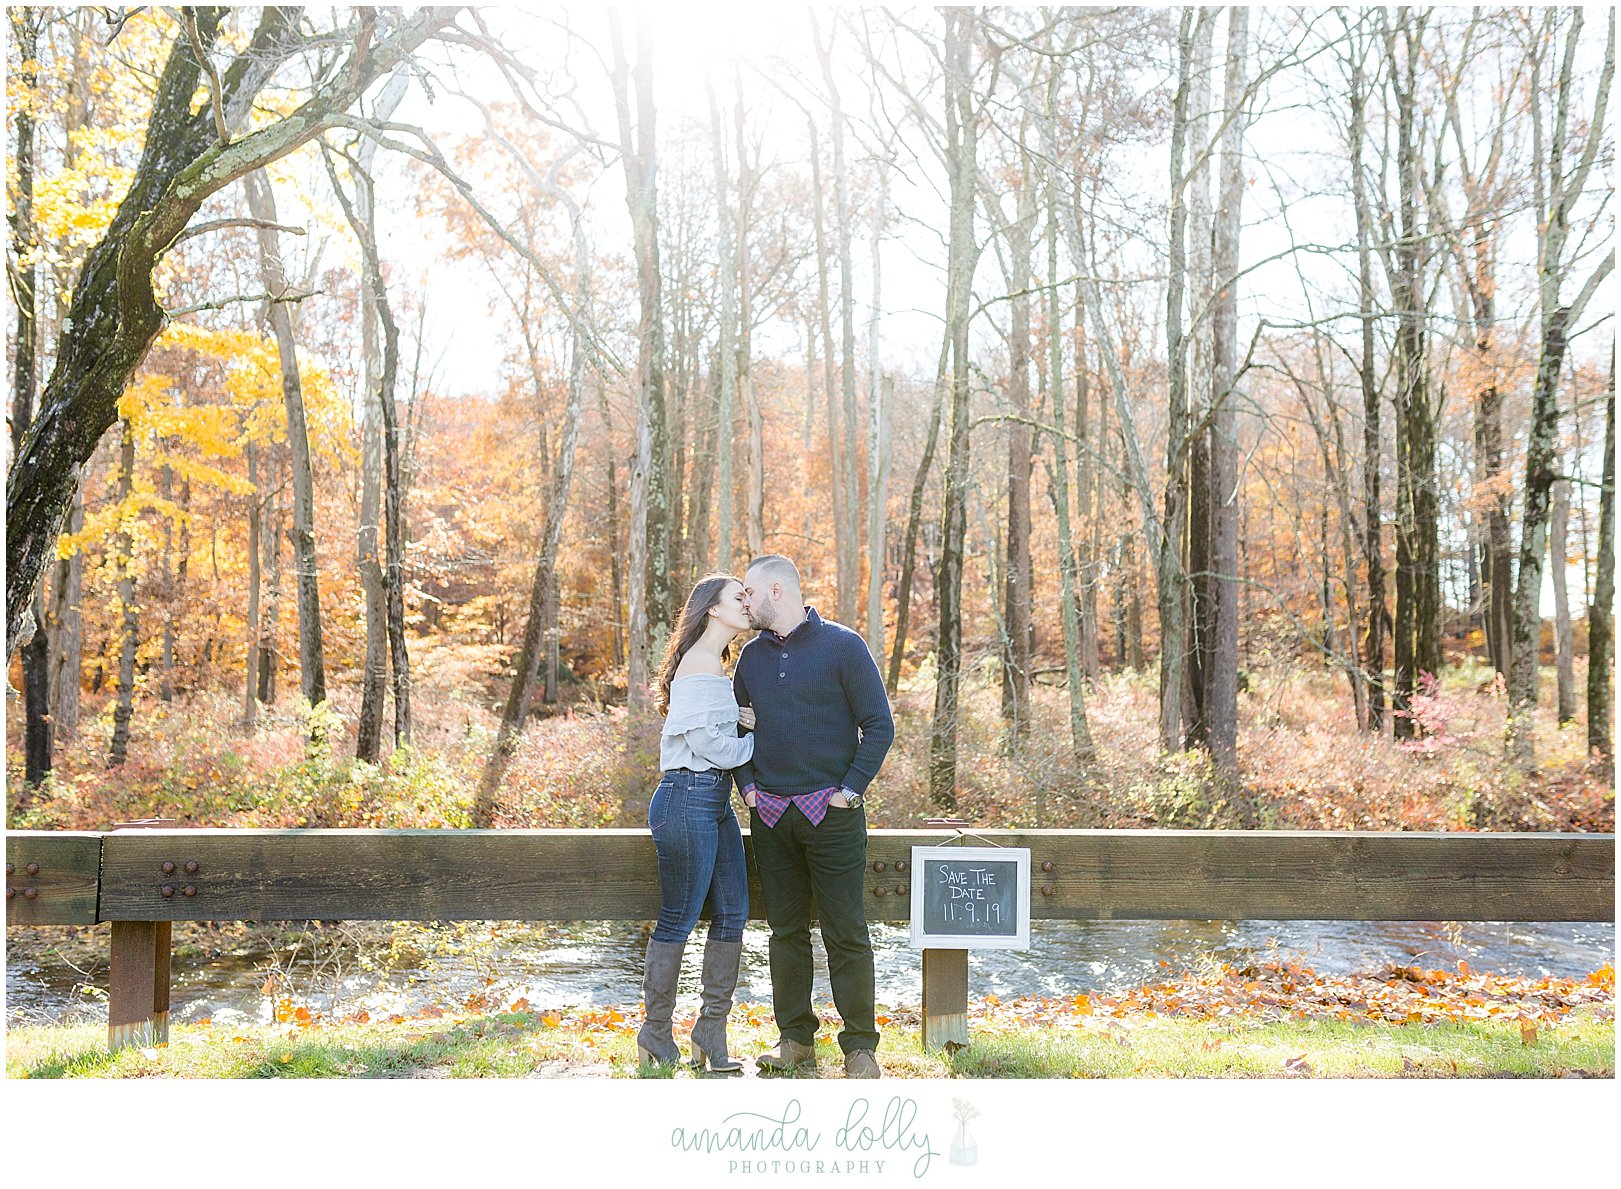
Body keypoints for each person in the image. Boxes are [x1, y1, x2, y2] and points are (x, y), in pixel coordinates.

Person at [733, 555, 895, 1079]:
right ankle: (795, 1041)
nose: (745, 602)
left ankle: (860, 1047)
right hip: (772, 818)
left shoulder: (843, 647)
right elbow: (738, 731)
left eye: (750, 592)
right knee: (784, 933)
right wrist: (750, 790)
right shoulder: (750, 659)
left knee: (846, 931)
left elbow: (879, 725)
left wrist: (850, 791)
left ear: (776, 591)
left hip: (834, 817)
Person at [637, 573, 757, 1074]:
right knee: (679, 917)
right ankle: (656, 1033)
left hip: (713, 800)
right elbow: (709, 746)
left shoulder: (714, 666)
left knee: (734, 912)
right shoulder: (701, 663)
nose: (747, 605)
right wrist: (754, 740)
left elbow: (710, 727)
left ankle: (711, 1030)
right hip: (687, 796)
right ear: (713, 609)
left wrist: (740, 717)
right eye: (739, 598)